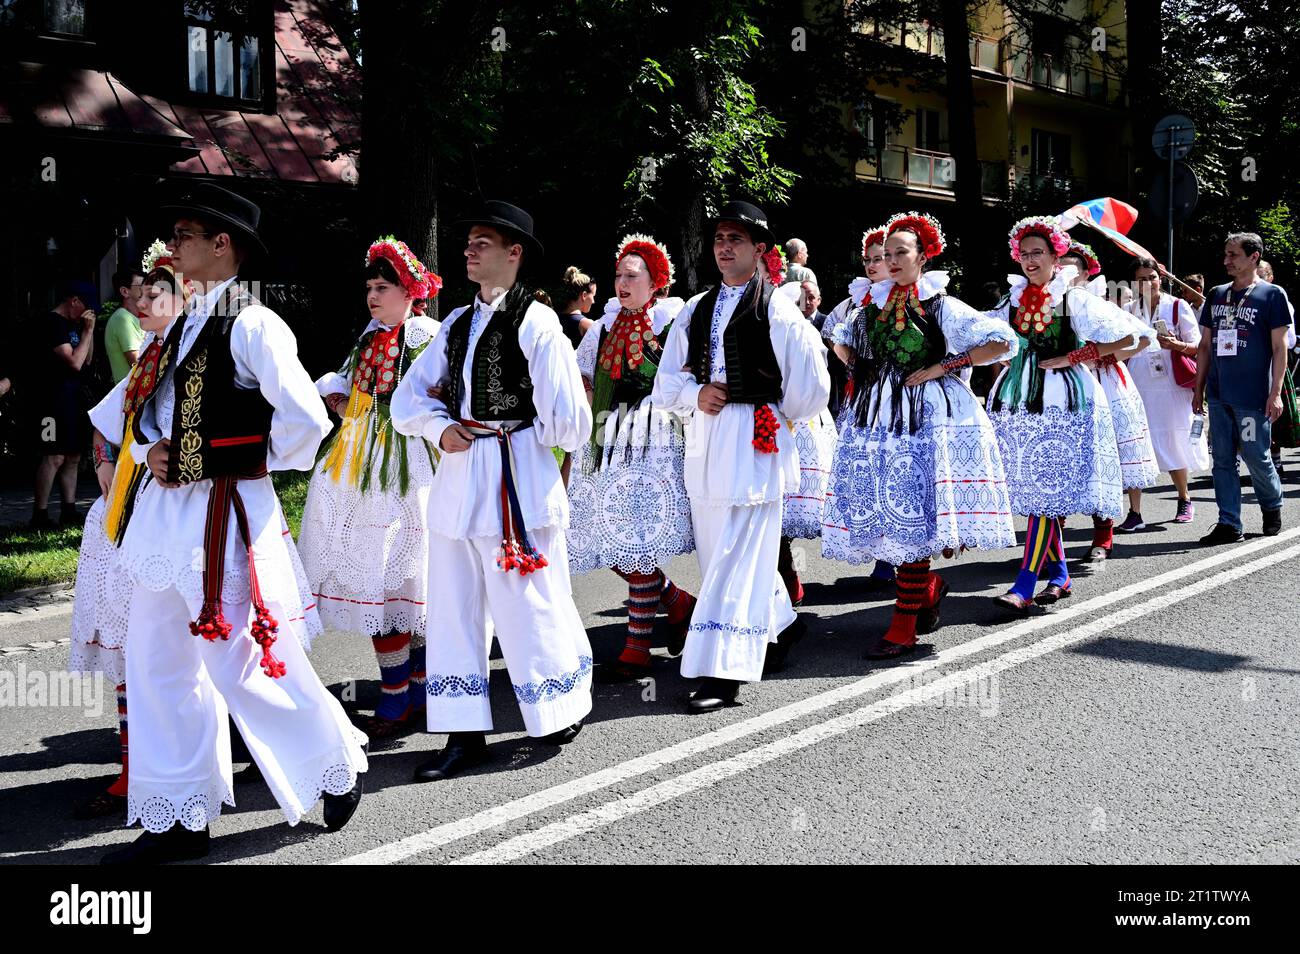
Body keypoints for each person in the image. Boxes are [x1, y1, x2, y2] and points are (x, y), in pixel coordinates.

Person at [103, 184, 368, 864]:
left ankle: (334, 763)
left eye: (185, 233)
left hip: (221, 515)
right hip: (165, 522)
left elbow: (307, 425)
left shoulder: (252, 324)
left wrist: (212, 459)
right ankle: (176, 816)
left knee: (239, 657)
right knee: (158, 662)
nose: (171, 247)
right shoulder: (180, 327)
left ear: (223, 245)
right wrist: (151, 450)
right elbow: (139, 419)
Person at [390, 199, 594, 781]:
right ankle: (463, 732)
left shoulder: (538, 321)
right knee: (453, 606)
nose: (470, 250)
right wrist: (440, 426)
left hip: (515, 472)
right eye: (469, 241)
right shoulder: (455, 324)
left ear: (515, 253)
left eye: (484, 241)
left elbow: (570, 420)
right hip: (461, 477)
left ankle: (559, 703)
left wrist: (530, 432)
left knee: (527, 598)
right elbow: (409, 399)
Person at [651, 200, 830, 711]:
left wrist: (775, 409)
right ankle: (780, 624)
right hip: (707, 441)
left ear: (759, 251)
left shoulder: (776, 307)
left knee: (737, 557)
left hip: (755, 441)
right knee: (717, 552)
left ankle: (722, 672)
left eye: (736, 240)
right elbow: (667, 381)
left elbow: (812, 380)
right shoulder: (697, 307)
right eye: (719, 240)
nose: (725, 248)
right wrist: (695, 395)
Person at [823, 211, 1017, 657]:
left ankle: (903, 625)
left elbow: (1002, 342)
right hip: (876, 419)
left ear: (923, 256)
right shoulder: (870, 303)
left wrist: (944, 366)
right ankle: (927, 590)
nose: (891, 261)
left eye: (900, 253)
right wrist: (854, 362)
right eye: (886, 253)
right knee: (891, 517)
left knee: (912, 518)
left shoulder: (941, 305)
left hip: (927, 422)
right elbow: (836, 333)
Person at [297, 236, 443, 740]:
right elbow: (352, 377)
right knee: (381, 579)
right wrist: (339, 395)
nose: (373, 296)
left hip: (408, 462)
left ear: (409, 292)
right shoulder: (371, 332)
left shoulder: (425, 334)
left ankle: (413, 693)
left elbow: (440, 391)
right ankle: (403, 693)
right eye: (370, 288)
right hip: (361, 458)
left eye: (383, 287)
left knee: (408, 580)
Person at [69, 242, 178, 820]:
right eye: (145, 291)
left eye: (159, 291)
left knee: (182, 646)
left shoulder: (192, 360)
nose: (144, 299)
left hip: (174, 518)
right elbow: (105, 422)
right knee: (127, 642)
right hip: (123, 516)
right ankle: (135, 766)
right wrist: (106, 461)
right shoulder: (146, 364)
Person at [985, 215, 1137, 612]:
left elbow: (1133, 337)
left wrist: (1075, 355)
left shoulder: (1075, 299)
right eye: (1024, 252)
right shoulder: (1012, 298)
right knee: (1039, 493)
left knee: (1044, 495)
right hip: (1018, 400)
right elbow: (986, 336)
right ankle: (1060, 574)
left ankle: (1023, 585)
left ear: (1056, 256)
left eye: (1038, 252)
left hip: (1065, 403)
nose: (1029, 259)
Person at [567, 235, 698, 681]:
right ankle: (678, 602)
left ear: (655, 282)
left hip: (652, 440)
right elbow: (581, 373)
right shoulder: (601, 328)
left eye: (632, 276)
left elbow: (687, 375)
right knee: (609, 538)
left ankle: (637, 646)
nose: (622, 283)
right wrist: (585, 391)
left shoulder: (670, 323)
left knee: (636, 539)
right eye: (619, 275)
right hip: (606, 435)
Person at [1061, 241, 1157, 565]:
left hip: (1102, 383)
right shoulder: (1046, 304)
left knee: (1104, 457)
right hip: (1062, 386)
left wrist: (1106, 356)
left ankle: (1103, 535)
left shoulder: (1094, 303)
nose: (1064, 273)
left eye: (1072, 268)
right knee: (1062, 459)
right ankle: (1051, 540)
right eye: (1059, 266)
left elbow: (1142, 337)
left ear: (1086, 273)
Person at [1195, 232, 1291, 543]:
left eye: (1233, 254)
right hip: (1219, 394)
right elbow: (1206, 346)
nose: (1226, 261)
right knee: (1222, 459)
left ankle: (1271, 504)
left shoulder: (1272, 295)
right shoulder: (1216, 294)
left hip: (1252, 397)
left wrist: (1275, 393)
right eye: (1225, 254)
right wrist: (1199, 389)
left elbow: (1280, 349)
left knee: (1255, 455)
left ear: (1254, 257)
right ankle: (1228, 523)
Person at [824, 224, 897, 592]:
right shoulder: (856, 300)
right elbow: (832, 333)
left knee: (893, 474)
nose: (872, 265)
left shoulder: (910, 297)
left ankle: (899, 557)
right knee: (867, 474)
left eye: (880, 258)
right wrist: (851, 361)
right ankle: (882, 555)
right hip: (863, 397)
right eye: (868, 259)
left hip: (898, 399)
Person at [1123, 257, 1209, 525]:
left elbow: (1198, 346)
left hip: (1170, 383)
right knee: (1135, 442)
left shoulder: (1177, 306)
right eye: (1141, 279)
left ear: (1161, 278)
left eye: (1152, 277)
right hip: (1138, 382)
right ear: (1135, 283)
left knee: (1173, 441)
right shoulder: (1127, 310)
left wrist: (1176, 345)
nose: (1147, 283)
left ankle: (1184, 499)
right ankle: (1135, 512)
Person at [29, 279, 99, 528]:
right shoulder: (52, 323)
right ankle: (40, 513)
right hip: (52, 401)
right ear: (74, 301)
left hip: (73, 399)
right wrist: (88, 332)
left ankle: (69, 509)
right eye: (87, 307)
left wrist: (85, 334)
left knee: (73, 456)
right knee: (53, 455)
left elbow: (87, 362)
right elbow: (74, 363)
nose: (89, 314)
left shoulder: (73, 326)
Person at [103, 267, 147, 384]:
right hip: (128, 393)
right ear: (124, 291)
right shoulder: (122, 318)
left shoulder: (135, 317)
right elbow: (136, 362)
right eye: (141, 286)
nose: (147, 289)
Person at [556, 266, 597, 348]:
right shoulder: (587, 325)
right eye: (593, 296)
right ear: (584, 295)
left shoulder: (554, 319)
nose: (593, 301)